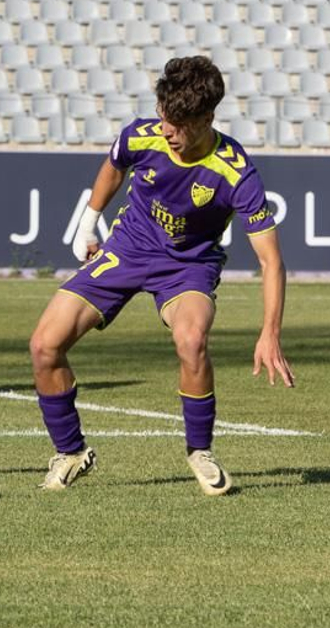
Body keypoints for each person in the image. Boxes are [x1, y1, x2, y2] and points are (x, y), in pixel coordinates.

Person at [31, 56, 293, 495]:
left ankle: (200, 450)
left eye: (178, 123)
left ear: (207, 118)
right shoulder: (143, 134)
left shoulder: (235, 171)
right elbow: (114, 165)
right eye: (163, 117)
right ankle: (71, 451)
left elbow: (271, 261)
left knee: (191, 339)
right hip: (127, 248)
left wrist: (270, 333)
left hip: (188, 266)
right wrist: (88, 222)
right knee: (44, 345)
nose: (166, 129)